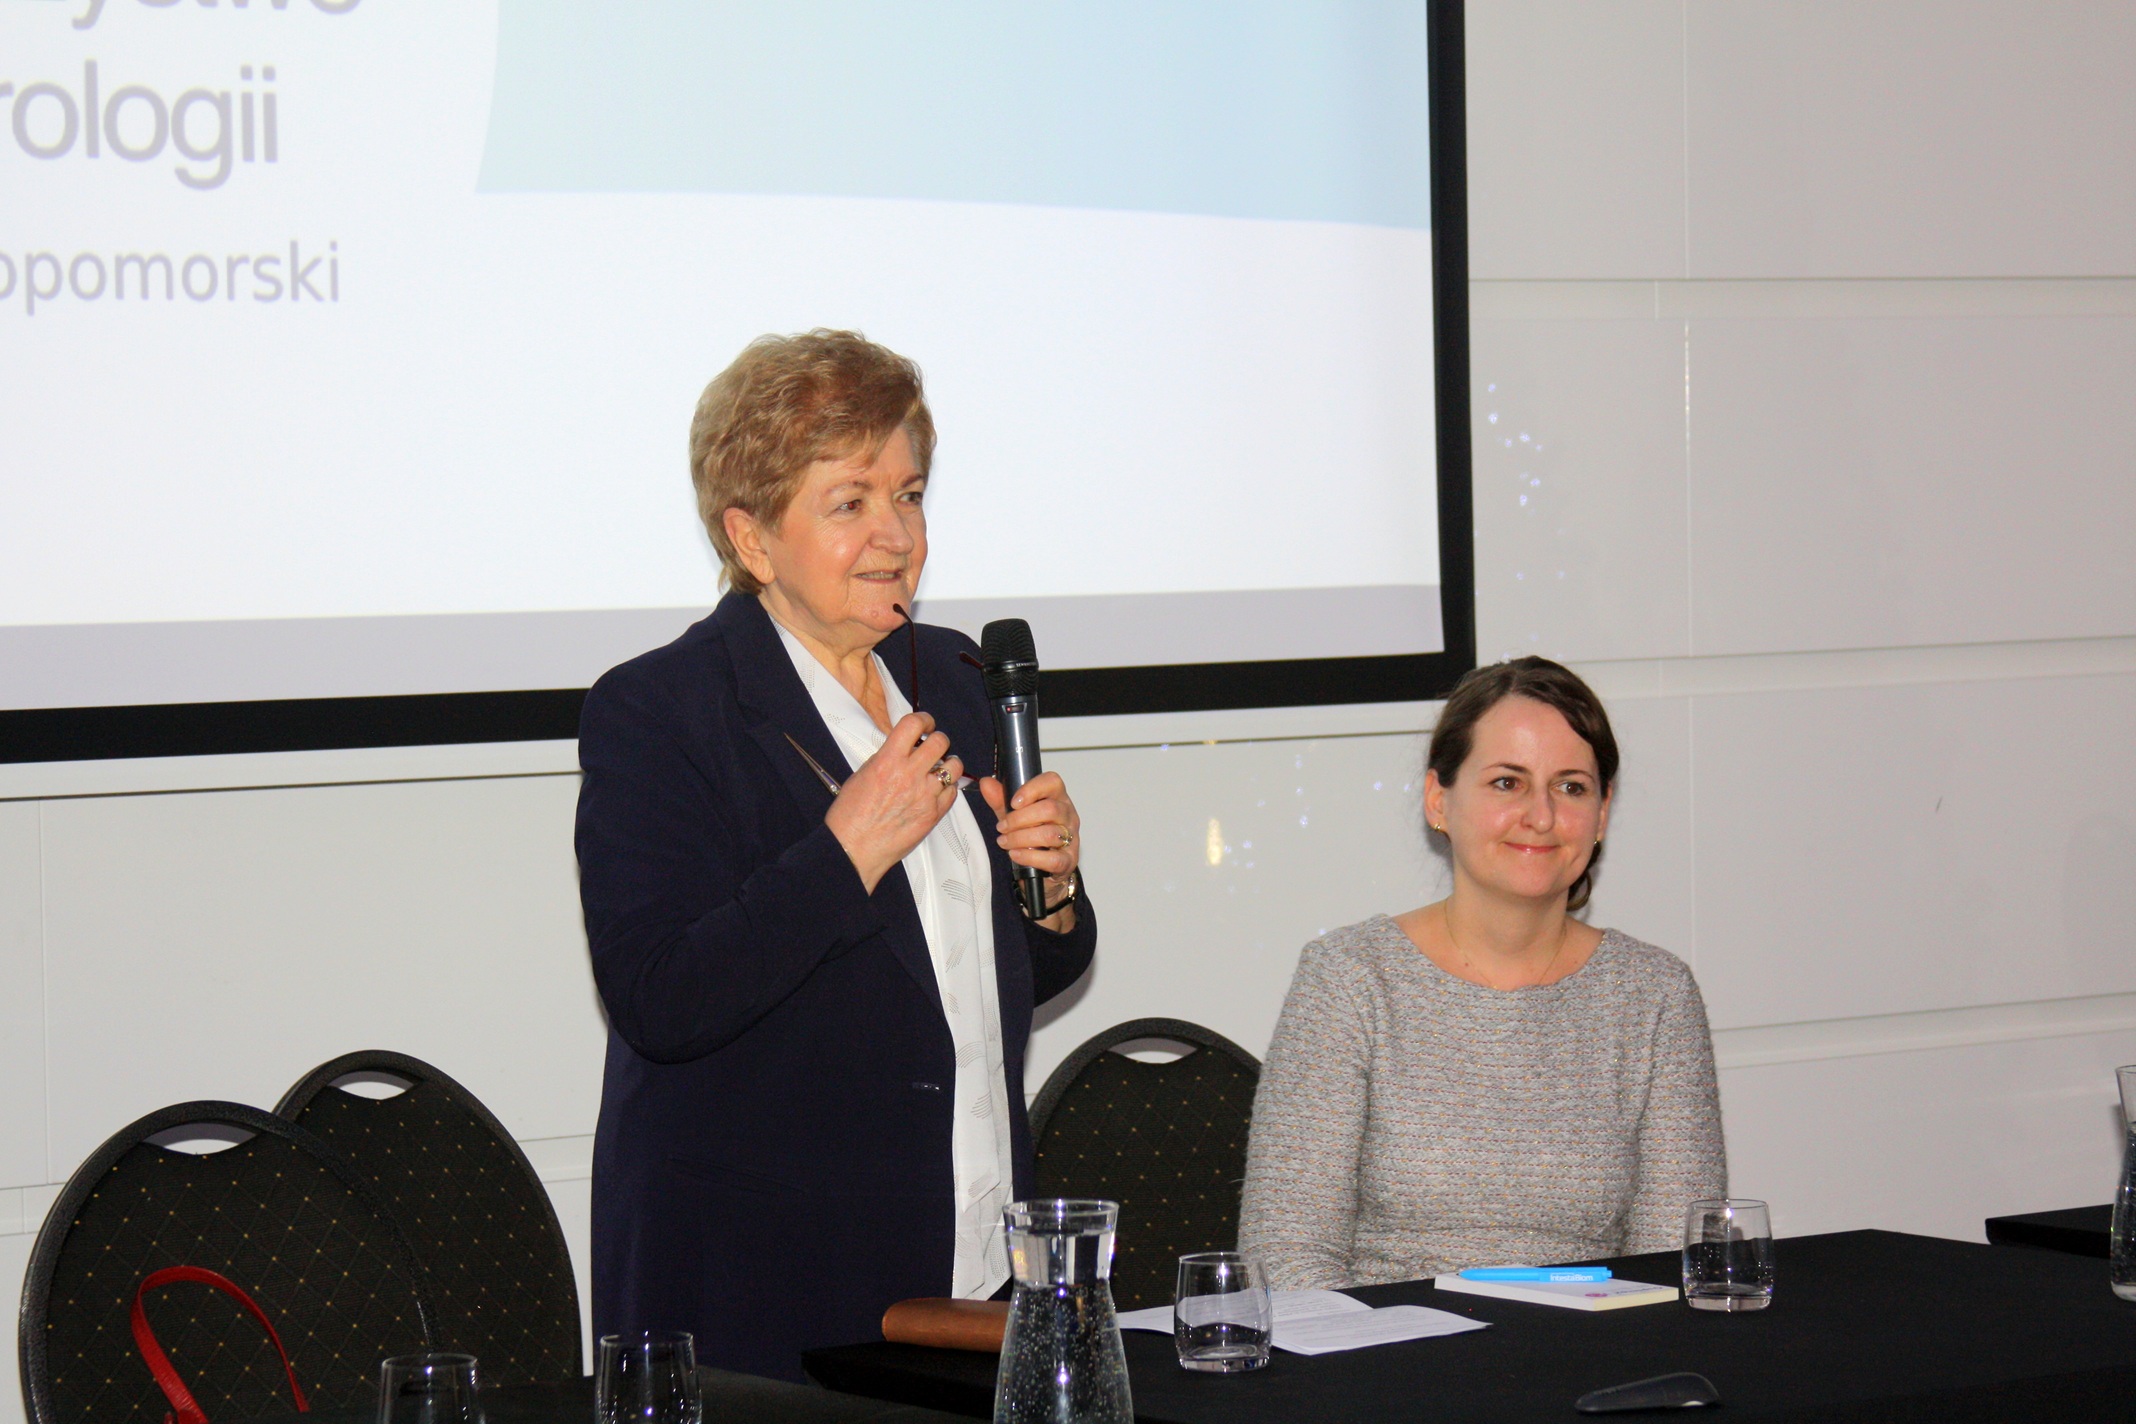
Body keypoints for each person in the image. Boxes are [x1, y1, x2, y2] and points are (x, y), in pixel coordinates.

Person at [575, 330, 1095, 1380]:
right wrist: (846, 848)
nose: (896, 533)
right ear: (753, 537)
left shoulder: (952, 679)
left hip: (976, 1269)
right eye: (850, 501)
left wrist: (1051, 893)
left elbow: (987, 978)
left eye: (909, 495)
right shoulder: (661, 709)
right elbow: (660, 998)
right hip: (769, 1296)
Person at [1237, 657, 1723, 1287]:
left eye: (1571, 787)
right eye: (1507, 782)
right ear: (1438, 800)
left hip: (1589, 1346)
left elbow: (1669, 1267)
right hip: (1387, 1342)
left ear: (1602, 815)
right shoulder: (1349, 979)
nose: (1541, 815)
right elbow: (1284, 1258)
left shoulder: (1656, 995)